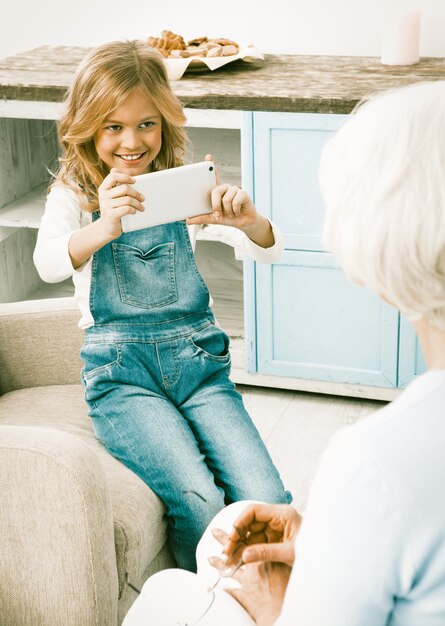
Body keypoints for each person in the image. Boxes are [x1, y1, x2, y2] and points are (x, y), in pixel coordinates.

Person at [124, 80, 445, 625]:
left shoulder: (376, 465)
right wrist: (335, 551)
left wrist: (279, 606)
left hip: (197, 363)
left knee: (164, 596)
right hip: (129, 372)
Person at [33, 39, 291, 573]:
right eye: (113, 127)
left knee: (270, 498)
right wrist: (103, 227)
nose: (132, 141)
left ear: (165, 122)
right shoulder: (75, 196)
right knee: (198, 500)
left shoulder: (181, 185)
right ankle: (204, 603)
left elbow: (269, 250)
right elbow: (47, 262)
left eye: (147, 124)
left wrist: (248, 222)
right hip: (122, 378)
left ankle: (272, 596)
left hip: (199, 368)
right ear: (87, 127)